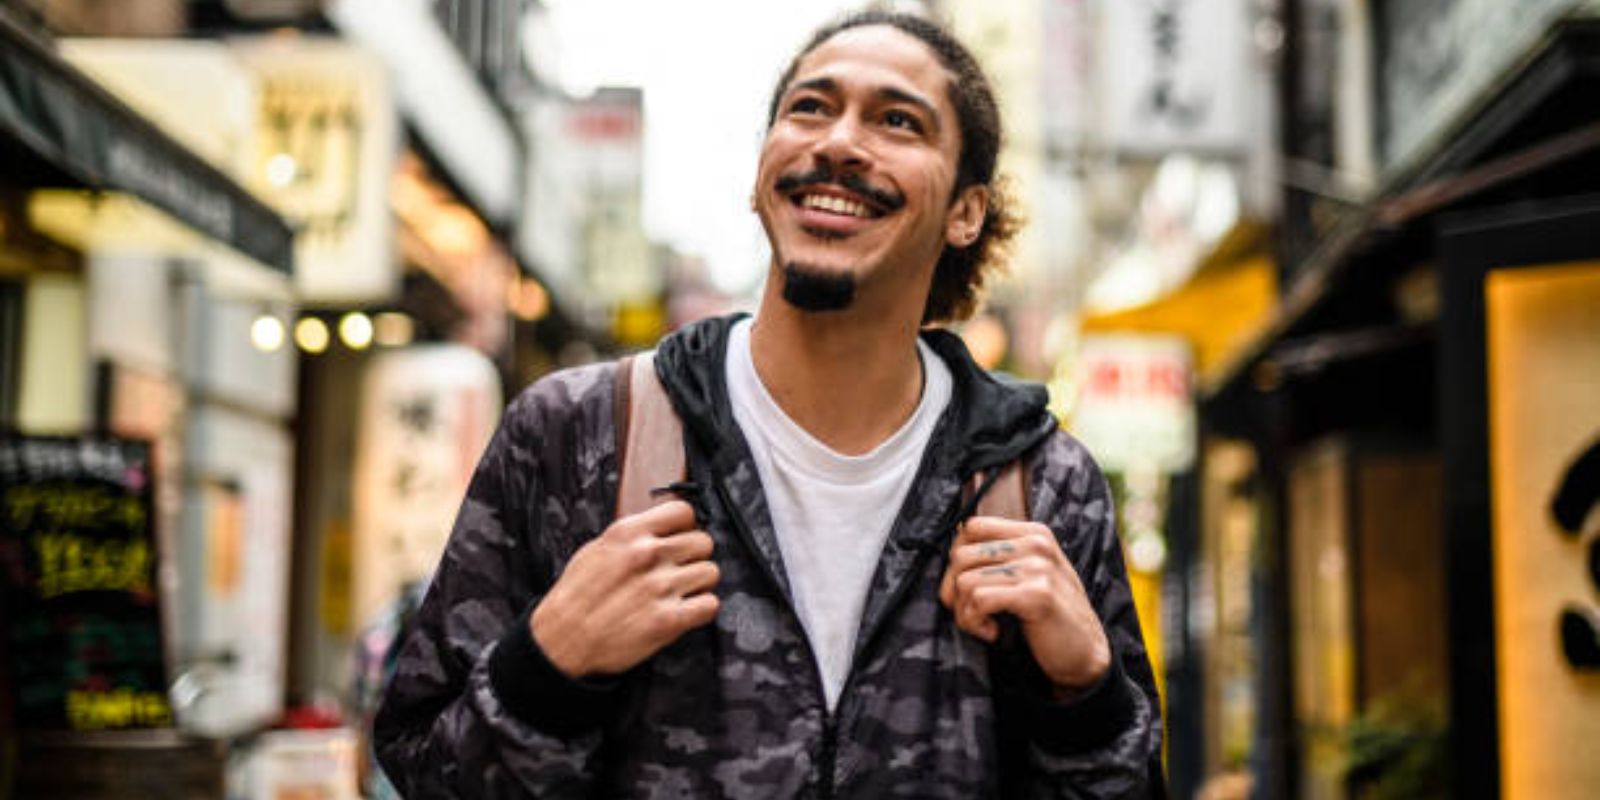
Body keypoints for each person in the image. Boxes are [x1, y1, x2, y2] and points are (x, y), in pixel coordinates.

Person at [374, 10, 1164, 798]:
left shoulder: (1042, 487)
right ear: (761, 175)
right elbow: (416, 765)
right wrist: (545, 667)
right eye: (810, 108)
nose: (839, 142)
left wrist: (1087, 698)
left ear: (966, 212)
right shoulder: (578, 434)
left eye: (897, 120)